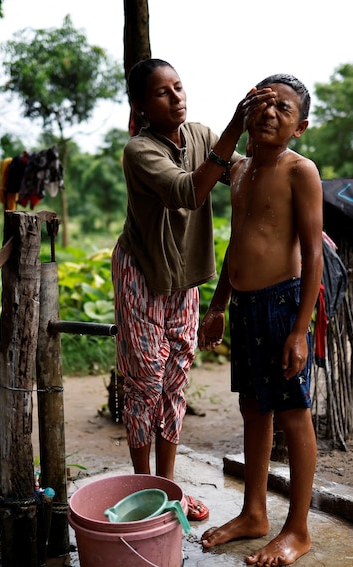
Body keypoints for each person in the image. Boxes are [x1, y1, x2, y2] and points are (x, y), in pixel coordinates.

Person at [113, 58, 276, 522]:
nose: (176, 97)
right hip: (142, 274)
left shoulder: (202, 137)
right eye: (163, 93)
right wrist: (233, 126)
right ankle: (142, 490)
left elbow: (240, 172)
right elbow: (188, 191)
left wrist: (268, 142)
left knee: (176, 379)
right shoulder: (140, 151)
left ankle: (169, 489)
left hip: (185, 279)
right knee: (145, 380)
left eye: (179, 87)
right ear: (142, 106)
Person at [198, 74, 323, 566]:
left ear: (301, 127)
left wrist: (299, 328)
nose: (269, 113)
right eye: (261, 103)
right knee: (253, 409)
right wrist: (219, 304)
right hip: (247, 306)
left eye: (283, 108)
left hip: (283, 305)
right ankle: (254, 513)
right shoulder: (242, 169)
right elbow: (239, 240)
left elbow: (313, 255)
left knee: (294, 415)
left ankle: (298, 529)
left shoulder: (300, 171)